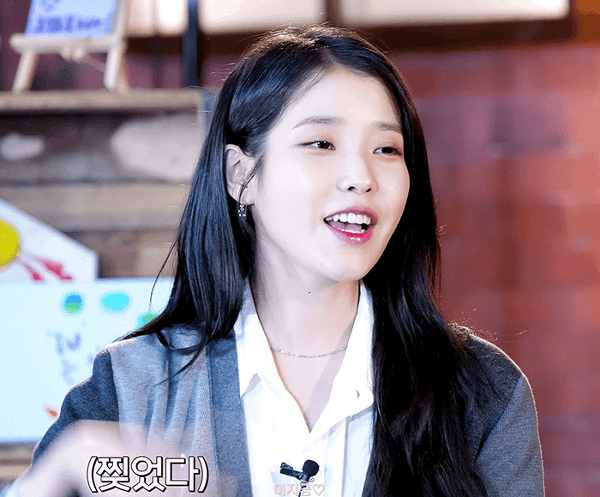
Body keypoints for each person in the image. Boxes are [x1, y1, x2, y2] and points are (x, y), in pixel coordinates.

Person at [6, 25, 544, 497]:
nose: (361, 177)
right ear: (241, 176)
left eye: (386, 149)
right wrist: (68, 464)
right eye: (321, 143)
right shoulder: (135, 386)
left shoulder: (481, 393)